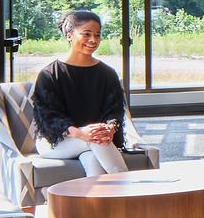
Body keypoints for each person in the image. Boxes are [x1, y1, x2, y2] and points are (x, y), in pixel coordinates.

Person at [31, 9, 130, 176]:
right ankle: (129, 188)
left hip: (94, 139)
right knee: (97, 142)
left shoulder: (108, 73)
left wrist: (110, 129)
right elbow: (49, 117)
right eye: (87, 34)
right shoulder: (49, 74)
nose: (93, 40)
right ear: (69, 35)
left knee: (93, 160)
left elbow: (115, 111)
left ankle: (97, 201)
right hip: (56, 142)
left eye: (97, 35)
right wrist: (81, 133)